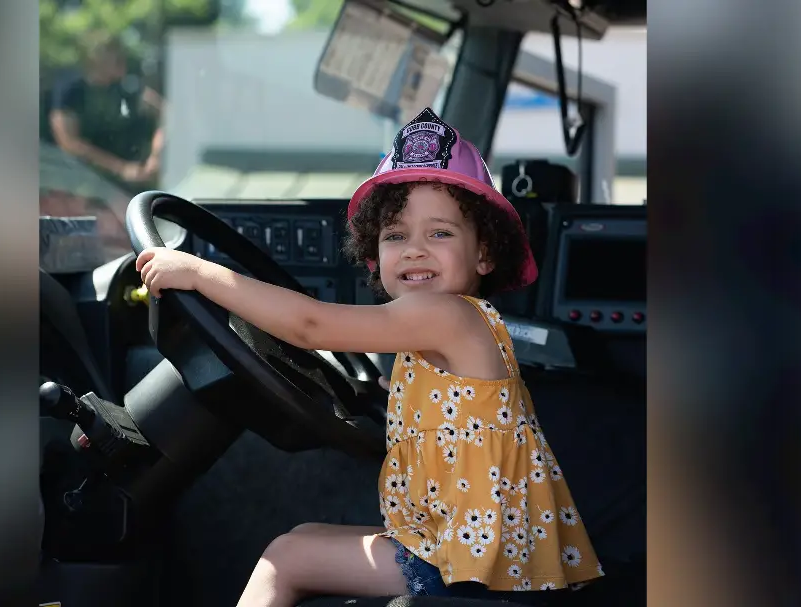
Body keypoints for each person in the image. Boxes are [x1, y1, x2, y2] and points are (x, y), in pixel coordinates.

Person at [136, 108, 603, 606]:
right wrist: (395, 394)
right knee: (306, 534)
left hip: (471, 566)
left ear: (485, 253)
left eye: (440, 233)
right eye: (395, 236)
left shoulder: (443, 314)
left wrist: (199, 273)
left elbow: (309, 324)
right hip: (478, 550)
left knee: (286, 558)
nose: (415, 250)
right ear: (374, 254)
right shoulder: (455, 326)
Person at [49, 34, 164, 193]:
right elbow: (69, 143)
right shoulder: (71, 90)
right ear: (96, 59)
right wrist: (121, 168)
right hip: (81, 185)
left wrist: (155, 158)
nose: (122, 61)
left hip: (133, 183)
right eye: (115, 57)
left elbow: (167, 115)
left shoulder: (127, 87)